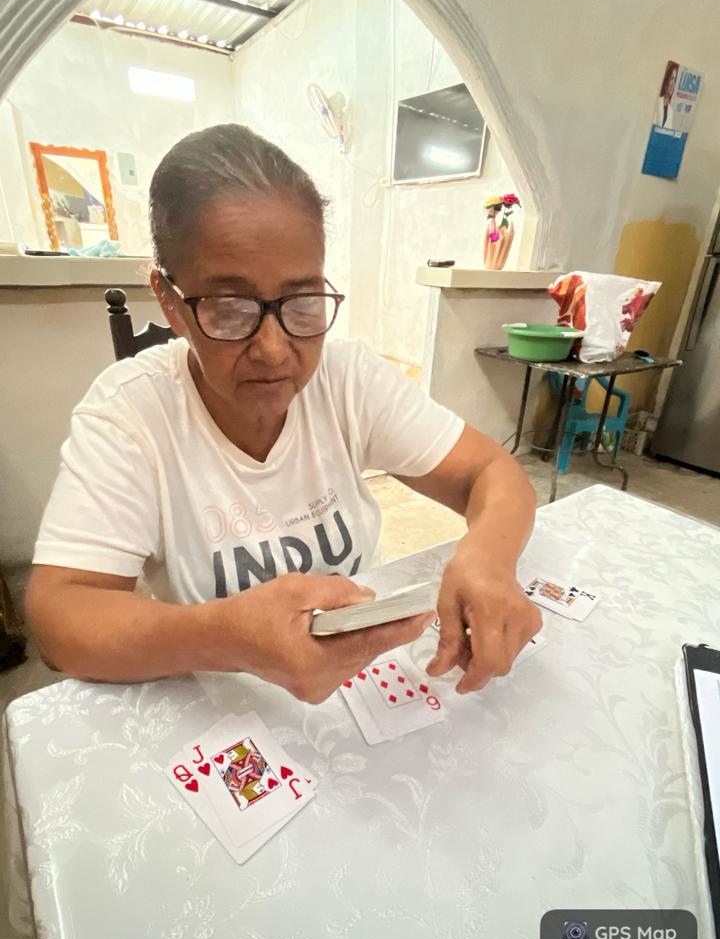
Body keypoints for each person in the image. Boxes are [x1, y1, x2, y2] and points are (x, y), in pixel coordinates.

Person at [27, 124, 540, 702]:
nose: (274, 350)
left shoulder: (348, 379)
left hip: (359, 679)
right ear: (170, 302)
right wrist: (227, 637)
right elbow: (62, 614)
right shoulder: (133, 414)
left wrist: (489, 558)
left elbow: (492, 473)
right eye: (229, 308)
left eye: (302, 302)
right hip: (224, 695)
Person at [656, 61, 678, 129]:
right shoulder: (657, 102)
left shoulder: (671, 111)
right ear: (666, 81)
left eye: (675, 80)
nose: (673, 84)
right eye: (671, 78)